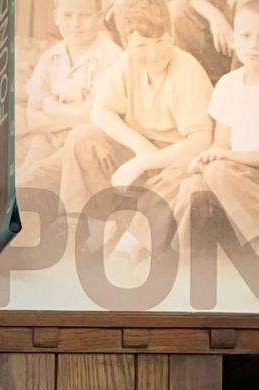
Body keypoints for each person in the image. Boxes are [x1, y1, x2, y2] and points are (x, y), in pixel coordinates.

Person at [61, 0, 213, 247]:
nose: (153, 53)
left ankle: (132, 244)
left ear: (172, 34)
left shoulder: (187, 69)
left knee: (186, 174)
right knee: (82, 137)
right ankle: (82, 228)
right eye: (141, 45)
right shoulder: (125, 63)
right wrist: (140, 148)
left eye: (161, 41)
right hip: (142, 148)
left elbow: (200, 141)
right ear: (125, 43)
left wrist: (146, 161)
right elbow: (100, 112)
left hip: (176, 156)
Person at [174, 0, 259, 246]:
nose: (254, 45)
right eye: (245, 35)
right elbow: (220, 145)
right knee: (194, 184)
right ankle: (173, 262)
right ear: (234, 39)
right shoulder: (228, 85)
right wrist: (206, 158)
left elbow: (226, 157)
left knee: (219, 171)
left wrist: (224, 158)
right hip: (234, 175)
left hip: (244, 174)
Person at [20, 0, 122, 192]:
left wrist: (50, 106)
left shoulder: (112, 57)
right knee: (17, 179)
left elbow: (90, 117)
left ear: (99, 18)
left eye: (85, 15)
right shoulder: (51, 57)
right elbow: (33, 119)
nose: (75, 23)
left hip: (85, 147)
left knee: (31, 181)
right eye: (67, 15)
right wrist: (74, 116)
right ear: (56, 17)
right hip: (47, 141)